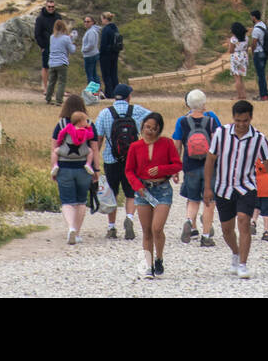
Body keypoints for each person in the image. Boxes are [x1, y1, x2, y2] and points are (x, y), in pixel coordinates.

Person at [202, 100, 268, 280]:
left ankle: (243, 263)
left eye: (245, 121)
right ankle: (235, 253)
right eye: (238, 121)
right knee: (226, 229)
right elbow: (210, 160)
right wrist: (207, 187)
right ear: (233, 118)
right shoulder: (221, 133)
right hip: (223, 187)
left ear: (251, 118)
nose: (241, 125)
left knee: (243, 220)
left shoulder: (259, 138)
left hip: (246, 186)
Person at [125, 112, 182, 278]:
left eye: (154, 128)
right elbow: (129, 170)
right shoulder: (135, 147)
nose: (149, 131)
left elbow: (177, 164)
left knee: (157, 228)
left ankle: (159, 257)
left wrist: (162, 169)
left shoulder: (167, 143)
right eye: (147, 127)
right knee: (146, 231)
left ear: (159, 130)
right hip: (143, 190)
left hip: (162, 189)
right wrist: (137, 185)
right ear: (142, 126)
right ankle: (148, 266)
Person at [93, 84, 150, 240]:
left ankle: (111, 227)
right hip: (133, 159)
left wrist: (94, 158)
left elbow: (98, 138)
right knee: (131, 192)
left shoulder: (105, 113)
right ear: (128, 97)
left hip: (111, 159)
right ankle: (129, 218)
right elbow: (154, 119)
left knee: (112, 192)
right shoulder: (136, 111)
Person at [172, 90, 222, 247]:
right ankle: (206, 236)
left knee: (193, 200)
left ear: (188, 104)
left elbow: (177, 145)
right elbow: (217, 145)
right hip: (209, 167)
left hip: (190, 166)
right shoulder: (212, 120)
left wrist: (175, 169)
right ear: (204, 103)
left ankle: (189, 221)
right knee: (209, 202)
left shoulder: (182, 121)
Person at [51, 95, 99, 245]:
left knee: (67, 202)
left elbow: (54, 148)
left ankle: (70, 227)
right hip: (84, 167)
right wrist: (96, 169)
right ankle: (77, 233)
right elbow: (95, 149)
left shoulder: (61, 124)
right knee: (81, 201)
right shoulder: (89, 124)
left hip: (64, 167)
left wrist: (54, 167)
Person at [45, 18, 76, 104]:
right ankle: (59, 100)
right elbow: (72, 50)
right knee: (61, 82)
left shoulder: (52, 37)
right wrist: (72, 41)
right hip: (62, 62)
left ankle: (48, 98)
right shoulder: (66, 38)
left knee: (51, 81)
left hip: (52, 62)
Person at [33, 0, 59, 94]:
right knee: (46, 67)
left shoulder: (57, 17)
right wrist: (42, 46)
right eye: (49, 7)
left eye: (52, 7)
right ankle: (45, 88)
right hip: (46, 46)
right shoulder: (40, 18)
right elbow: (37, 34)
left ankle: (56, 88)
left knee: (58, 67)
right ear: (45, 7)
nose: (51, 8)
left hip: (57, 45)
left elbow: (62, 29)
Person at [248, 9, 268, 101]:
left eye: (251, 16)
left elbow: (254, 43)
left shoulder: (256, 29)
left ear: (254, 17)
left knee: (260, 75)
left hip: (258, 53)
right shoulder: (264, 26)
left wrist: (253, 52)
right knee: (262, 74)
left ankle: (263, 95)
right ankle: (265, 94)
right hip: (265, 52)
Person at [98, 12, 122, 97]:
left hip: (106, 55)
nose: (101, 21)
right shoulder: (115, 28)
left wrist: (100, 54)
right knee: (113, 74)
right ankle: (116, 92)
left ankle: (109, 93)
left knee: (106, 74)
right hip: (114, 54)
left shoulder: (106, 29)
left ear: (105, 19)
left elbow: (103, 44)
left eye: (102, 19)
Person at [227, 22, 249, 100]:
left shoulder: (233, 39)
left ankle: (239, 96)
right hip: (244, 56)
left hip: (236, 56)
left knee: (237, 78)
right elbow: (246, 48)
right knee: (241, 78)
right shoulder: (246, 38)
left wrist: (228, 44)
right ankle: (243, 95)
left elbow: (231, 50)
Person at [80, 15, 101, 93]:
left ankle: (92, 91)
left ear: (92, 22)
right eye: (85, 21)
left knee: (90, 74)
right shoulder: (91, 30)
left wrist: (83, 50)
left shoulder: (91, 31)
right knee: (94, 73)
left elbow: (91, 44)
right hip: (93, 54)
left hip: (90, 55)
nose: (86, 23)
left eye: (88, 21)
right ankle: (98, 90)